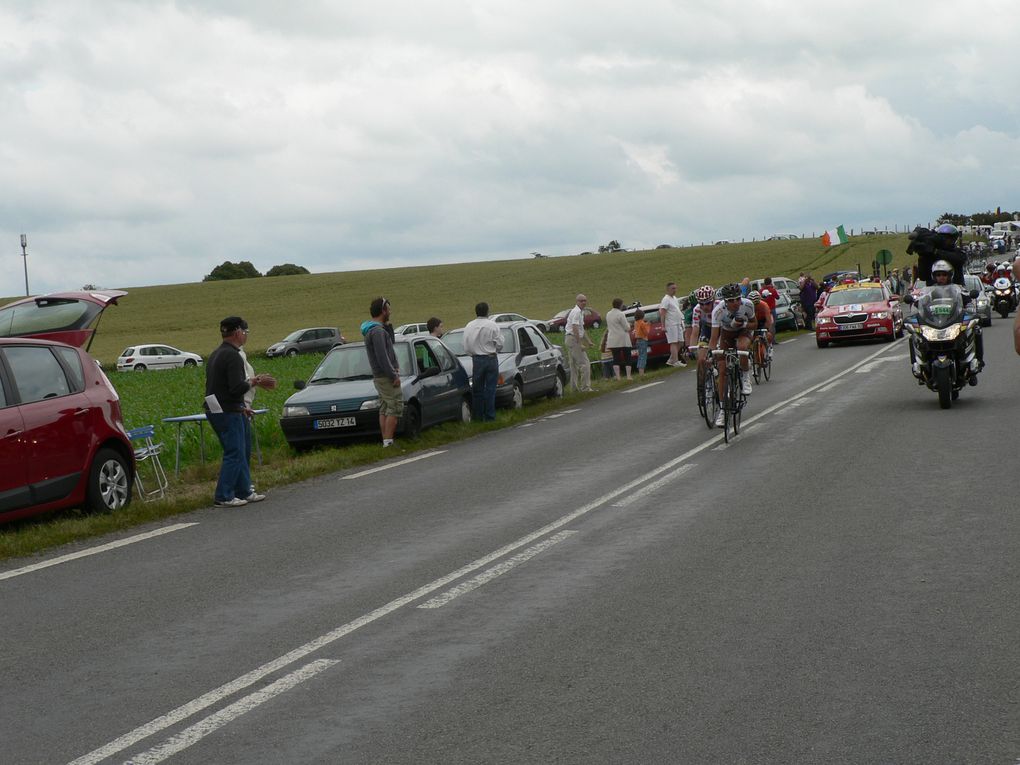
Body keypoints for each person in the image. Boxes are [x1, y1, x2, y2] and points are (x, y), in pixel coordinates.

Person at [204, 316, 275, 507]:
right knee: (234, 452)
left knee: (242, 450)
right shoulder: (233, 356)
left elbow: (219, 387)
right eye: (246, 332)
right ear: (238, 332)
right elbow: (235, 388)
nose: (246, 336)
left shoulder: (217, 353)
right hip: (227, 411)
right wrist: (254, 381)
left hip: (225, 408)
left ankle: (244, 490)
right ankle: (224, 495)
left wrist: (242, 407)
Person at [708, 283, 757, 427]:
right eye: (730, 300)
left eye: (737, 299)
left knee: (741, 347)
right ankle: (723, 410)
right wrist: (712, 354)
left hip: (744, 332)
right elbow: (714, 337)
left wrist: (744, 325)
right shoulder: (718, 311)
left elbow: (755, 324)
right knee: (722, 370)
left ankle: (745, 375)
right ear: (725, 301)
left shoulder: (747, 304)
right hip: (726, 335)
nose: (735, 303)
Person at [361, 297, 403, 446]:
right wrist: (393, 375)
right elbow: (382, 357)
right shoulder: (377, 332)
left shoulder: (376, 330)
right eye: (389, 309)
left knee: (385, 407)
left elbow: (389, 346)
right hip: (386, 376)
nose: (390, 312)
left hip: (381, 376)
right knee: (395, 406)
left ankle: (386, 441)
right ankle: (388, 442)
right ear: (383, 311)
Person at [238, 346, 276, 496]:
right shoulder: (236, 355)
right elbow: (239, 384)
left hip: (242, 407)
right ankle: (242, 489)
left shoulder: (240, 354)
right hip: (239, 407)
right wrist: (258, 380)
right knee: (240, 452)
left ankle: (242, 487)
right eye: (244, 332)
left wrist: (257, 380)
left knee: (242, 451)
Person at [463, 302, 503, 420]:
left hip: (477, 360)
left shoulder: (469, 325)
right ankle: (490, 415)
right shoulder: (492, 325)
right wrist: (495, 349)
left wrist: (472, 354)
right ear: (487, 311)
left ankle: (478, 416)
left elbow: (466, 344)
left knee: (477, 389)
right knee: (490, 389)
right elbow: (500, 343)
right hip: (491, 358)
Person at [564, 294, 595, 392]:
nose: (584, 302)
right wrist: (580, 342)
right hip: (573, 339)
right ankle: (585, 388)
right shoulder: (577, 312)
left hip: (569, 338)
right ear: (577, 301)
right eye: (581, 301)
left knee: (573, 365)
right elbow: (575, 327)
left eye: (585, 300)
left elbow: (581, 329)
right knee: (585, 363)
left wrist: (589, 341)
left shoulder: (580, 312)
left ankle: (574, 388)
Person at [602, 297, 633, 380]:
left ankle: (618, 377)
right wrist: (629, 325)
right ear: (620, 305)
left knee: (616, 358)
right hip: (622, 338)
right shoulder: (620, 314)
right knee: (627, 357)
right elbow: (626, 327)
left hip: (612, 339)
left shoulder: (608, 314)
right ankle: (628, 376)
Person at [660, 282, 687, 367]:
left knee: (681, 342)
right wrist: (663, 326)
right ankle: (675, 361)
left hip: (678, 323)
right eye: (672, 288)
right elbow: (663, 313)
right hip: (671, 324)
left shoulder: (675, 298)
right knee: (673, 342)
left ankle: (671, 359)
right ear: (668, 289)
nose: (674, 290)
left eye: (675, 288)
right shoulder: (666, 299)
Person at [633, 308, 650, 375]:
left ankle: (640, 371)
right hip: (643, 340)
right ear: (642, 316)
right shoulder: (642, 323)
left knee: (640, 356)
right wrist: (648, 325)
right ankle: (641, 372)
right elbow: (646, 332)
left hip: (638, 341)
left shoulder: (636, 322)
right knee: (643, 356)